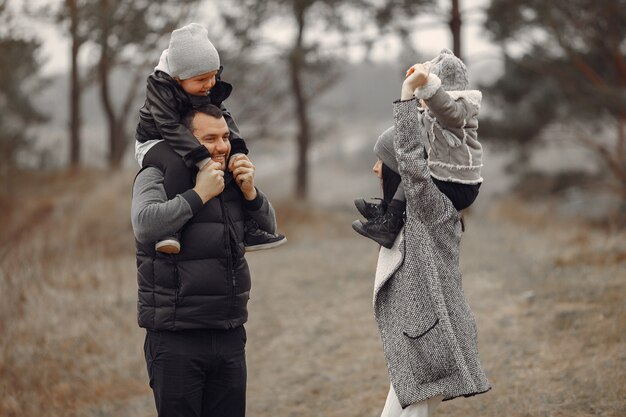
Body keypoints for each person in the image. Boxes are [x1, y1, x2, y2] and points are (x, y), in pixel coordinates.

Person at [131, 104, 277, 417]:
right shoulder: (157, 174)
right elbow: (144, 224)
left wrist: (251, 194)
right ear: (186, 140)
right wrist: (199, 194)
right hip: (175, 338)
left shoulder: (229, 177)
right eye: (210, 138)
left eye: (225, 137)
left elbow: (269, 228)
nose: (222, 146)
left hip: (228, 333)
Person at [362, 62, 491, 416]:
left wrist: (406, 101)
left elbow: (412, 162)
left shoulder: (428, 206)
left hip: (430, 339)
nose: (376, 168)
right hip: (423, 339)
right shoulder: (409, 215)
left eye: (381, 161)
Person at [134, 22, 285, 254]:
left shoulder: (205, 87)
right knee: (177, 160)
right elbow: (170, 127)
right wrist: (202, 168)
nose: (210, 84)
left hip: (231, 288)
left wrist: (237, 152)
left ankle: (249, 229)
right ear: (177, 78)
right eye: (202, 80)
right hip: (155, 141)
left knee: (227, 162)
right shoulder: (161, 89)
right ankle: (170, 232)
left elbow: (226, 117)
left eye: (213, 76)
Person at [353, 48, 483, 248]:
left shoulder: (460, 109)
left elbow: (445, 109)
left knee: (414, 173)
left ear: (440, 91)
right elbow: (405, 134)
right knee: (409, 164)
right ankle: (388, 212)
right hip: (446, 177)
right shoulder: (435, 116)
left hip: (460, 184)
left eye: (426, 94)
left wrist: (424, 84)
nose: (421, 100)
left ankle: (391, 223)